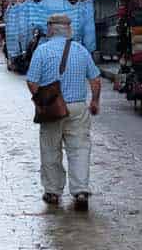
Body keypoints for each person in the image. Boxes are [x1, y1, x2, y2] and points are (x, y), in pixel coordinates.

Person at [25, 15, 101, 211]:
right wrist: (94, 101)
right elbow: (95, 80)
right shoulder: (81, 51)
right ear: (68, 30)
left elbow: (32, 81)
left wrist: (43, 101)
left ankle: (52, 191)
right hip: (77, 107)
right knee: (80, 149)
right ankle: (81, 190)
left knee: (50, 149)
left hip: (53, 109)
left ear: (50, 29)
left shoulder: (42, 51)